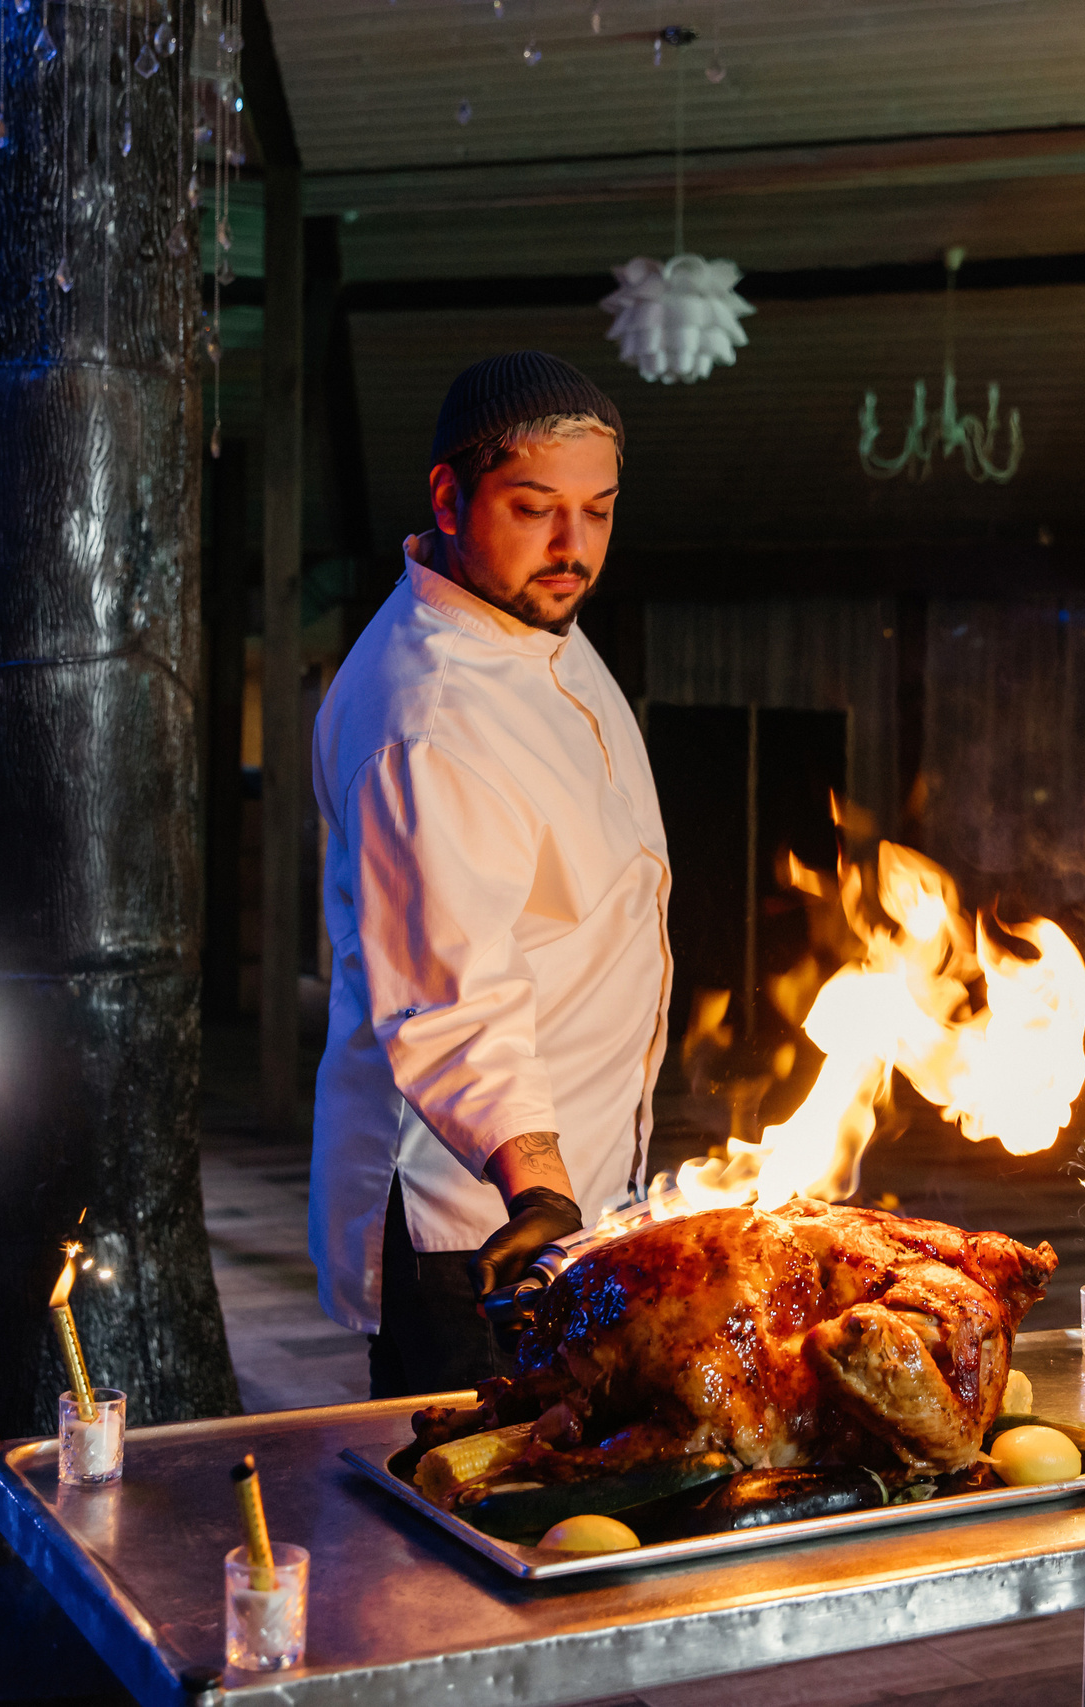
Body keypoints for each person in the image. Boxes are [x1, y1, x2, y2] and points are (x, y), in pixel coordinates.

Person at [307, 352, 672, 1400]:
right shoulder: (426, 720)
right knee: (464, 1530)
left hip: (581, 1182)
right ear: (448, 496)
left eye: (598, 512)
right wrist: (543, 1194)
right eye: (535, 507)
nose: (574, 549)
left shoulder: (526, 615)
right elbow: (453, 989)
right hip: (479, 1222)